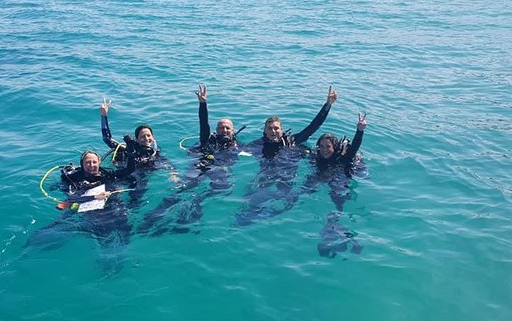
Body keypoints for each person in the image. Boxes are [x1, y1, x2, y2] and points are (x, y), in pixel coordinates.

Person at [138, 84, 242, 235]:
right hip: (200, 166)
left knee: (223, 188)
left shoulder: (239, 145)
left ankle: (195, 204)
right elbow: (203, 124)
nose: (224, 130)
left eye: (227, 128)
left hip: (218, 169)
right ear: (216, 129)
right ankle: (153, 217)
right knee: (181, 189)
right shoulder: (208, 140)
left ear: (233, 130)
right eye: (221, 127)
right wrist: (203, 104)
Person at [235, 85, 338, 226]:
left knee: (287, 200)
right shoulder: (257, 145)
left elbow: (313, 126)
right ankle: (248, 216)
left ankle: (266, 215)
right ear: (265, 132)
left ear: (282, 130)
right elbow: (234, 151)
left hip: (287, 176)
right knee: (251, 196)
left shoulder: (293, 141)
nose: (273, 131)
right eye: (270, 128)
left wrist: (327, 105)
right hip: (266, 174)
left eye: (276, 128)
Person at [25, 148, 137, 255]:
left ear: (99, 162)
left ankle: (123, 253)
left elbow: (129, 170)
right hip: (91, 210)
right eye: (88, 162)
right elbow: (73, 198)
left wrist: (131, 153)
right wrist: (94, 196)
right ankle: (106, 259)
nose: (91, 165)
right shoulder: (74, 180)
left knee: (125, 229)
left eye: (94, 162)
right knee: (104, 235)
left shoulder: (107, 175)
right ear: (82, 164)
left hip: (111, 206)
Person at [301, 113, 368, 258]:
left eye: (328, 146)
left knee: (336, 195)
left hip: (339, 177)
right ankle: (334, 227)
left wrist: (360, 130)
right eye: (322, 146)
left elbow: (355, 146)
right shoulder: (316, 156)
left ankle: (343, 231)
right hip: (324, 175)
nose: (324, 149)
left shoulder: (343, 158)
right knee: (305, 189)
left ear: (334, 147)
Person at [100, 98, 178, 207]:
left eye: (148, 135)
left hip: (139, 178)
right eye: (142, 136)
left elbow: (167, 164)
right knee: (113, 198)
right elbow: (107, 139)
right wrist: (104, 116)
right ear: (136, 139)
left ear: (153, 137)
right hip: (122, 174)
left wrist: (172, 174)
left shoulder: (154, 152)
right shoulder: (128, 148)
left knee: (136, 201)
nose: (146, 138)